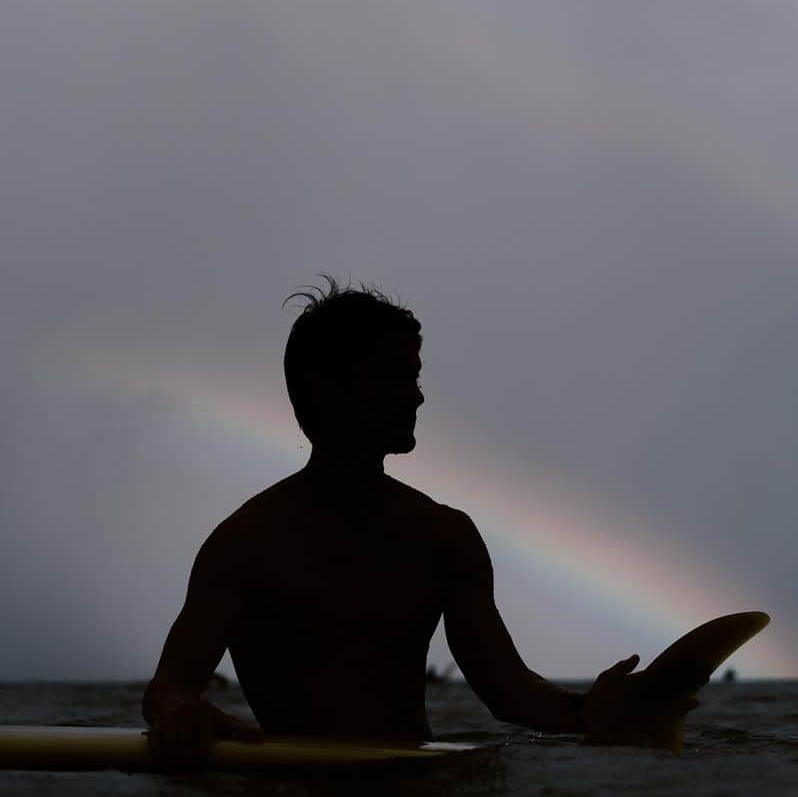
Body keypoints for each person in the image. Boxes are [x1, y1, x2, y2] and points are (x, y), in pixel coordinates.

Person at [143, 279, 697, 764]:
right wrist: (179, 713)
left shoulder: (444, 537)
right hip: (294, 784)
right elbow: (169, 686)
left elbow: (506, 693)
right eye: (397, 376)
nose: (418, 395)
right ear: (328, 389)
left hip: (418, 781)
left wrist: (587, 711)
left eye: (416, 375)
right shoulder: (244, 544)